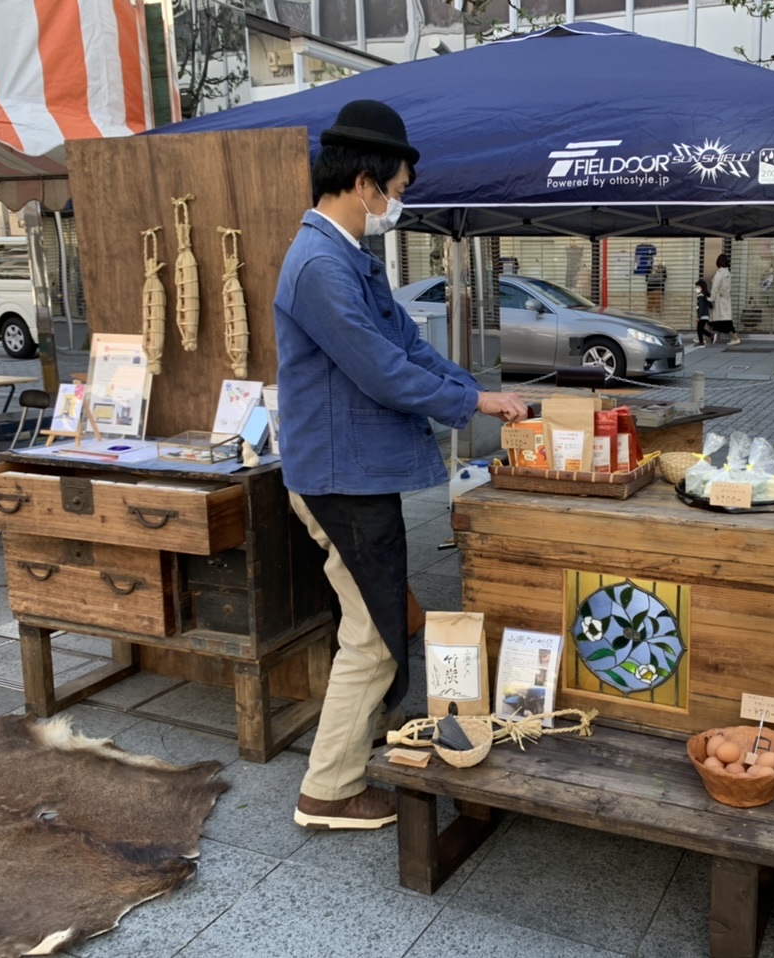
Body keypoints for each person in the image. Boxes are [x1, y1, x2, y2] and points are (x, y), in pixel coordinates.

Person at [273, 99, 528, 831]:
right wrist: (471, 404)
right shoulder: (320, 263)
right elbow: (381, 371)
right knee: (376, 635)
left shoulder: (349, 256)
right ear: (364, 182)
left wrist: (479, 393)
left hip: (355, 476)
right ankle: (328, 790)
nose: (399, 202)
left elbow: (409, 351)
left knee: (382, 621)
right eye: (399, 188)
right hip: (338, 479)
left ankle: (363, 754)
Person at [710, 253, 739, 345]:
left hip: (719, 300)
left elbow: (715, 287)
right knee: (716, 320)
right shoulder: (728, 273)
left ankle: (735, 338)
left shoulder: (719, 273)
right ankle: (704, 338)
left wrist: (711, 299)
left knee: (723, 321)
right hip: (725, 299)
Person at [693, 278, 714, 347]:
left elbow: (701, 307)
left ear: (702, 288)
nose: (696, 289)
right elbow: (711, 306)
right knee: (700, 329)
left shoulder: (701, 297)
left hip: (702, 315)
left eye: (698, 287)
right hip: (706, 315)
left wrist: (699, 316)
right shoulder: (706, 296)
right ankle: (710, 336)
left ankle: (702, 341)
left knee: (699, 329)